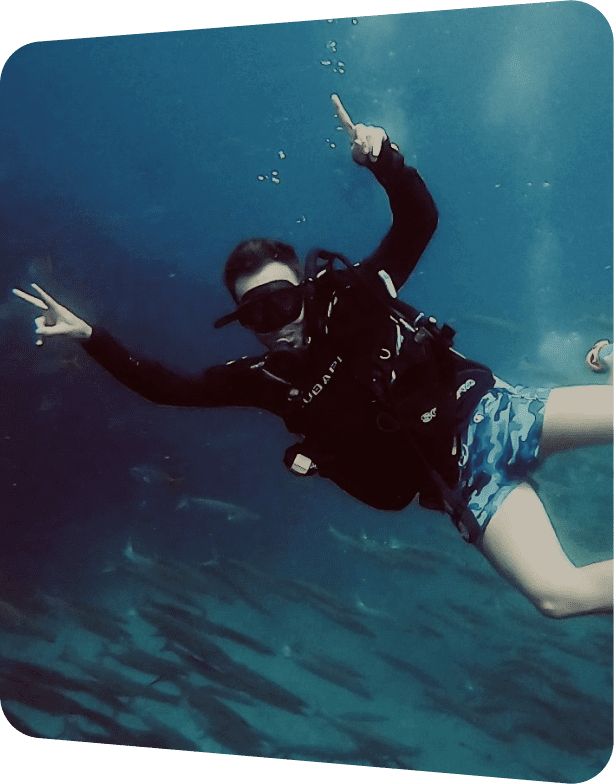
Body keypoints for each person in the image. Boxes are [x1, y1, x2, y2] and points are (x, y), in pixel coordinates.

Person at [13, 95, 613, 620]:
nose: (276, 325)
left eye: (282, 302)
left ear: (304, 291)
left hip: (493, 414)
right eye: (256, 315)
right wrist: (88, 335)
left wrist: (383, 158)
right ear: (243, 323)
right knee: (558, 597)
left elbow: (418, 222)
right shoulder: (263, 381)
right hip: (464, 484)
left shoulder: (353, 297)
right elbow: (167, 387)